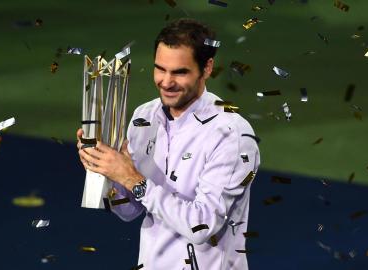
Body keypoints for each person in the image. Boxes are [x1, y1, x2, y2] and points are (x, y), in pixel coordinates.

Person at [77, 18, 260, 270]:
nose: (166, 81)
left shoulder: (231, 135)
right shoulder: (144, 117)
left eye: (179, 72)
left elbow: (202, 225)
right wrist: (108, 172)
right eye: (160, 69)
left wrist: (132, 178)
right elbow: (129, 211)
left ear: (207, 68)